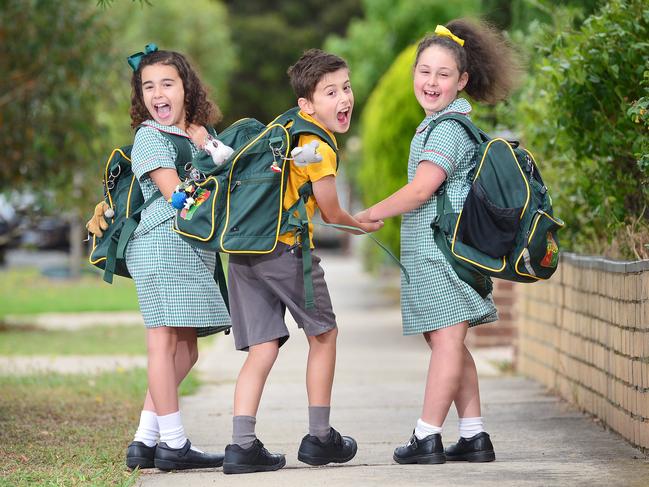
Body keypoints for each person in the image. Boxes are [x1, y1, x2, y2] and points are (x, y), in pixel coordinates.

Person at [355, 20, 522, 464]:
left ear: (462, 81)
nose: (431, 82)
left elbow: (421, 189)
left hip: (442, 250)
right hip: (438, 248)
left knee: (446, 341)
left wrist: (370, 213)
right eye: (424, 71)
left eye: (443, 74)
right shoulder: (437, 124)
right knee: (448, 340)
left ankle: (426, 435)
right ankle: (473, 435)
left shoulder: (448, 128)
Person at [219, 49, 383, 475]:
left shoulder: (284, 130)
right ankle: (320, 437)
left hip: (242, 252)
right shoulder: (314, 144)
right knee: (324, 335)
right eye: (330, 92)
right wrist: (360, 224)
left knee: (261, 348)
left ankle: (241, 446)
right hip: (286, 250)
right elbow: (330, 211)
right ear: (307, 105)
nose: (343, 98)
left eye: (346, 88)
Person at [86, 45, 231, 471]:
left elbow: (224, 169)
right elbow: (179, 197)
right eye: (148, 86)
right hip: (160, 244)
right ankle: (174, 443)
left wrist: (209, 144)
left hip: (190, 249)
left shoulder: (195, 133)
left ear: (187, 87)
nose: (157, 93)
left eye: (167, 83)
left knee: (186, 352)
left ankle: (145, 439)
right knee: (163, 343)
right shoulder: (149, 136)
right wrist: (218, 174)